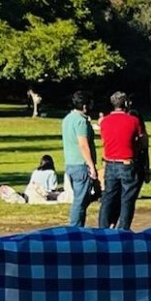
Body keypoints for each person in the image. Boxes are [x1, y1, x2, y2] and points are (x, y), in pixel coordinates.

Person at [98, 91, 149, 230]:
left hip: (109, 162)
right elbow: (142, 141)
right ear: (125, 103)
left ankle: (102, 229)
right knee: (127, 199)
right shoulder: (133, 120)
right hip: (127, 162)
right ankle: (123, 229)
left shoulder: (104, 121)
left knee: (108, 197)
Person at [61, 91, 98, 227]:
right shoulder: (81, 121)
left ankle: (77, 226)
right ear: (84, 106)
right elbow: (83, 145)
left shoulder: (67, 119)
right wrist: (91, 166)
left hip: (70, 163)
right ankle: (75, 229)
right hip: (81, 165)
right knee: (80, 201)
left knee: (81, 198)